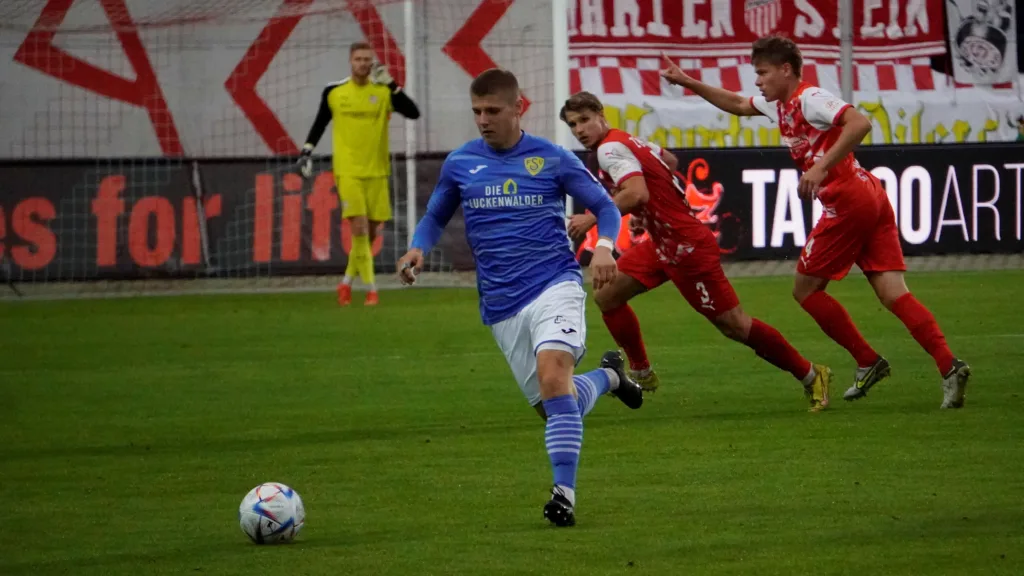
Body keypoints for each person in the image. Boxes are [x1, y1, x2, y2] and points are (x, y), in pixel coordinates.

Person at [659, 36, 970, 408]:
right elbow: (739, 104)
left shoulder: (809, 98)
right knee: (893, 293)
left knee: (805, 290)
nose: (757, 81)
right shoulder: (779, 104)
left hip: (848, 200)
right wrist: (687, 81)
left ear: (786, 70)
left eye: (763, 72)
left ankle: (867, 359)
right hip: (868, 195)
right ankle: (949, 366)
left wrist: (821, 167)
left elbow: (860, 123)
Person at [396, 69, 645, 527]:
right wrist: (418, 247)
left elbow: (606, 206)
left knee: (553, 378)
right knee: (556, 405)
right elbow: (435, 215)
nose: (483, 120)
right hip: (501, 304)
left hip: (555, 284)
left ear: (518, 108)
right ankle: (609, 378)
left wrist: (605, 247)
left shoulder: (552, 158)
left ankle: (563, 496)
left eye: (493, 110)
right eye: (477, 111)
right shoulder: (461, 162)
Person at [561, 91, 832, 412]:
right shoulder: (627, 140)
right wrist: (649, 213)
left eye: (585, 120)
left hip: (687, 247)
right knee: (607, 294)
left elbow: (636, 192)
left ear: (601, 115)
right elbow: (669, 162)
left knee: (734, 325)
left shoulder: (608, 149)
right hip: (663, 243)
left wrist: (593, 217)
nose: (579, 129)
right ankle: (642, 372)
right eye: (573, 124)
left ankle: (811, 374)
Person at [296, 41, 421, 306]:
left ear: (372, 63)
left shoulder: (383, 92)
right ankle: (372, 289)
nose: (363, 64)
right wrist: (307, 150)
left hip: (377, 171)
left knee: (371, 233)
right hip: (348, 170)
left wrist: (392, 85)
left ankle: (345, 283)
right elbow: (320, 121)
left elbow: (413, 113)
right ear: (350, 62)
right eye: (358, 59)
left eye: (367, 59)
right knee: (360, 228)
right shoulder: (334, 92)